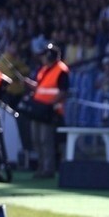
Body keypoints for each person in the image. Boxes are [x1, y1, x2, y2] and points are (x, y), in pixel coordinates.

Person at [24, 42, 69, 179]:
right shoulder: (44, 69)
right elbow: (41, 87)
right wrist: (30, 85)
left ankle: (48, 169)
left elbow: (63, 91)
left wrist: (51, 104)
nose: (43, 58)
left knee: (46, 140)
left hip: (49, 111)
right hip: (38, 109)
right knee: (37, 140)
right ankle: (41, 167)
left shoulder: (61, 70)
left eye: (45, 55)